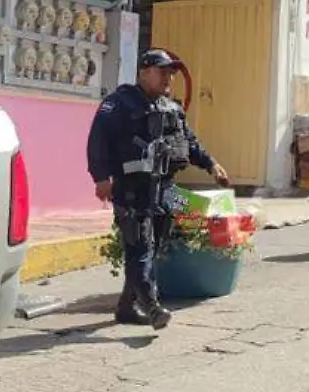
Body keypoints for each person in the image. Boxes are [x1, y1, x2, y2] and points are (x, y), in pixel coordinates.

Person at [86, 49, 230, 329]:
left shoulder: (171, 108)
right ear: (144, 72)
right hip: (131, 188)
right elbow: (97, 140)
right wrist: (100, 177)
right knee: (139, 247)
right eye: (162, 71)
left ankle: (127, 308)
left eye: (171, 73)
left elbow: (189, 143)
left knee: (153, 248)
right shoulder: (119, 103)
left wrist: (211, 165)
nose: (169, 78)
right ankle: (152, 307)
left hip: (164, 190)